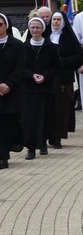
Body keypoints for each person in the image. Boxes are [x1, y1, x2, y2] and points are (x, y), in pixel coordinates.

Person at [0, 13, 24, 169]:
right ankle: (1, 156)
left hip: (11, 92)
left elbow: (20, 69)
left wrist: (8, 85)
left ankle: (7, 149)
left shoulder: (18, 45)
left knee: (9, 125)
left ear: (6, 26)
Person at [20, 17, 60, 160]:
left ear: (43, 29)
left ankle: (42, 143)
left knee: (45, 117)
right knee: (29, 119)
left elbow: (56, 67)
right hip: (28, 89)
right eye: (32, 28)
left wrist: (45, 76)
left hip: (46, 88)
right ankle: (31, 148)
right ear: (29, 30)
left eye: (38, 28)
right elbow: (20, 67)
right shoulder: (23, 47)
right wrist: (31, 76)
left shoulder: (51, 47)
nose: (35, 30)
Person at [47, 11, 83, 149]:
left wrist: (61, 61)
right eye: (54, 19)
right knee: (48, 109)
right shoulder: (46, 36)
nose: (55, 22)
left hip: (63, 79)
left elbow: (79, 57)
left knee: (60, 110)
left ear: (63, 22)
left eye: (58, 20)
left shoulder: (68, 38)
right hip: (47, 78)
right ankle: (47, 135)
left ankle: (57, 138)